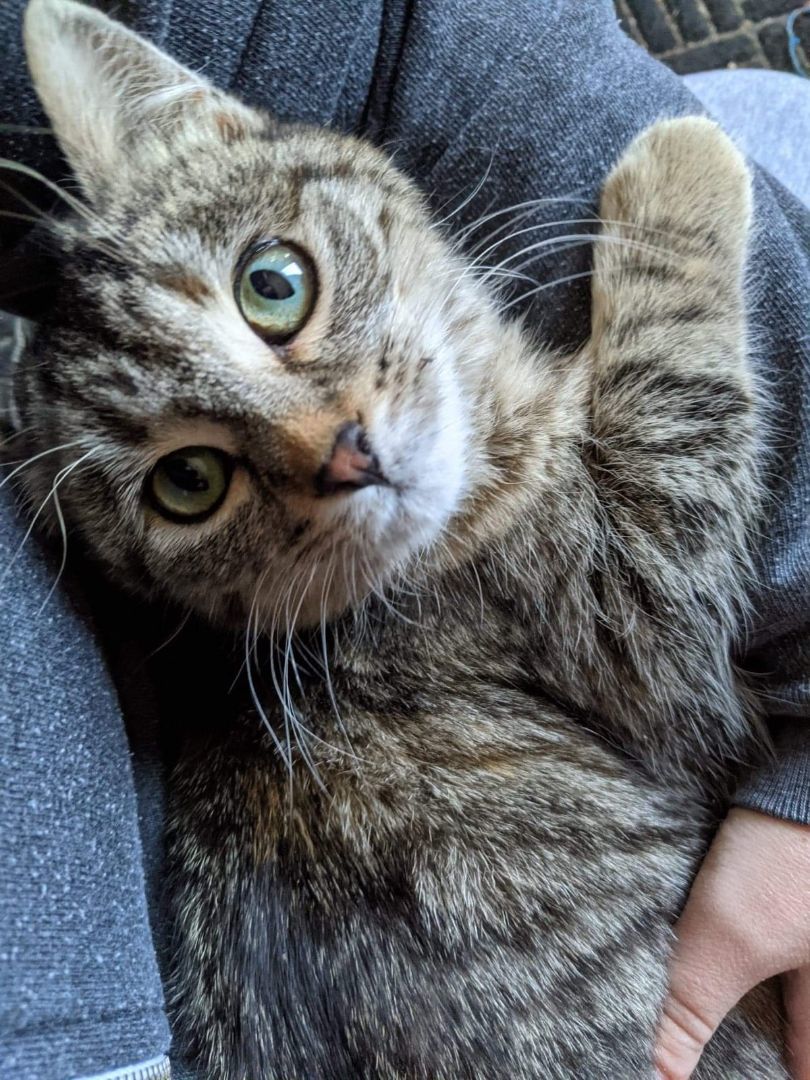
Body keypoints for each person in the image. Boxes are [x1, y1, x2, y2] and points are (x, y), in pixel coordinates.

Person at [0, 3, 807, 1078]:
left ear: (220, 124)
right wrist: (671, 277)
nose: (321, 447)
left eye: (274, 290)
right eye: (194, 481)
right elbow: (661, 613)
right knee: (757, 120)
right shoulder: (435, 594)